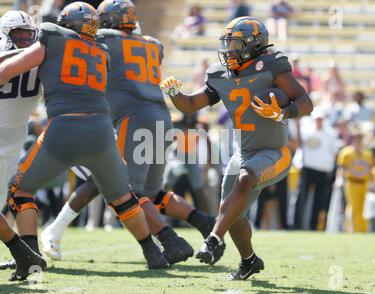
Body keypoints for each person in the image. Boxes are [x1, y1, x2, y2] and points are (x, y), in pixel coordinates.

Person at [41, 0, 220, 264]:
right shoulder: (153, 44)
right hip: (162, 117)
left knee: (126, 191)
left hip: (134, 120)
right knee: (153, 193)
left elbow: (76, 42)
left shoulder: (103, 38)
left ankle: (170, 240)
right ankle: (204, 222)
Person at [0, 2, 170, 271]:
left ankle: (29, 256)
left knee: (20, 191)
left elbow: (7, 71)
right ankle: (153, 253)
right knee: (123, 197)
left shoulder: (52, 36)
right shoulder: (102, 51)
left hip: (64, 129)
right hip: (102, 131)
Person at [160, 16, 313, 279]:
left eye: (236, 44)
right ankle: (249, 261)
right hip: (243, 153)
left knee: (245, 180)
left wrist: (283, 112)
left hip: (275, 152)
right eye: (228, 44)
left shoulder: (272, 66)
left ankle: (212, 240)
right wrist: (175, 95)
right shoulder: (222, 76)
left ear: (253, 45)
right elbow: (190, 105)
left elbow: (306, 103)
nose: (229, 50)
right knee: (232, 214)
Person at [0, 10, 45, 273]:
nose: (24, 40)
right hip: (13, 140)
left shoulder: (26, 57)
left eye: (28, 36)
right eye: (18, 35)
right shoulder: (40, 56)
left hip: (8, 142)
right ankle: (27, 257)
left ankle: (27, 257)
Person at [293, 109, 339, 230]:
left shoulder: (330, 134)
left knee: (318, 201)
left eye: (321, 119)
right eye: (317, 119)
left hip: (323, 171)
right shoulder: (306, 130)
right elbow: (298, 144)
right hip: (307, 168)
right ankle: (297, 224)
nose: (319, 122)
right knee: (301, 198)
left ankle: (313, 227)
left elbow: (334, 153)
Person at [336, 129, 374, 232]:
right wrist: (339, 179)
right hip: (351, 183)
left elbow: (370, 169)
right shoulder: (346, 153)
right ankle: (355, 229)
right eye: (357, 139)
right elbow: (341, 167)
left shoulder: (367, 153)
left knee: (364, 208)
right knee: (353, 207)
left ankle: (363, 230)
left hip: (364, 184)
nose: (358, 141)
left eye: (360, 139)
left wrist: (371, 183)